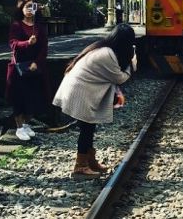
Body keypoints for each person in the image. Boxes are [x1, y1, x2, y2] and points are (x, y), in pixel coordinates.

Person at [52, 24, 137, 179]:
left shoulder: (103, 49)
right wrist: (133, 64)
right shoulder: (107, 55)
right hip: (79, 92)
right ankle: (80, 166)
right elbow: (120, 78)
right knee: (87, 128)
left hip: (80, 89)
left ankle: (89, 161)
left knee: (89, 127)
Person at [6, 0, 49, 141]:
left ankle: (25, 124)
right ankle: (19, 127)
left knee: (33, 97)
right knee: (18, 97)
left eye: (32, 7)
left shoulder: (39, 27)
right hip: (19, 67)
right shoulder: (16, 25)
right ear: (22, 9)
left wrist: (37, 62)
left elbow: (44, 48)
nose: (30, 10)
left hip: (34, 66)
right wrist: (27, 43)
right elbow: (13, 43)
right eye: (27, 7)